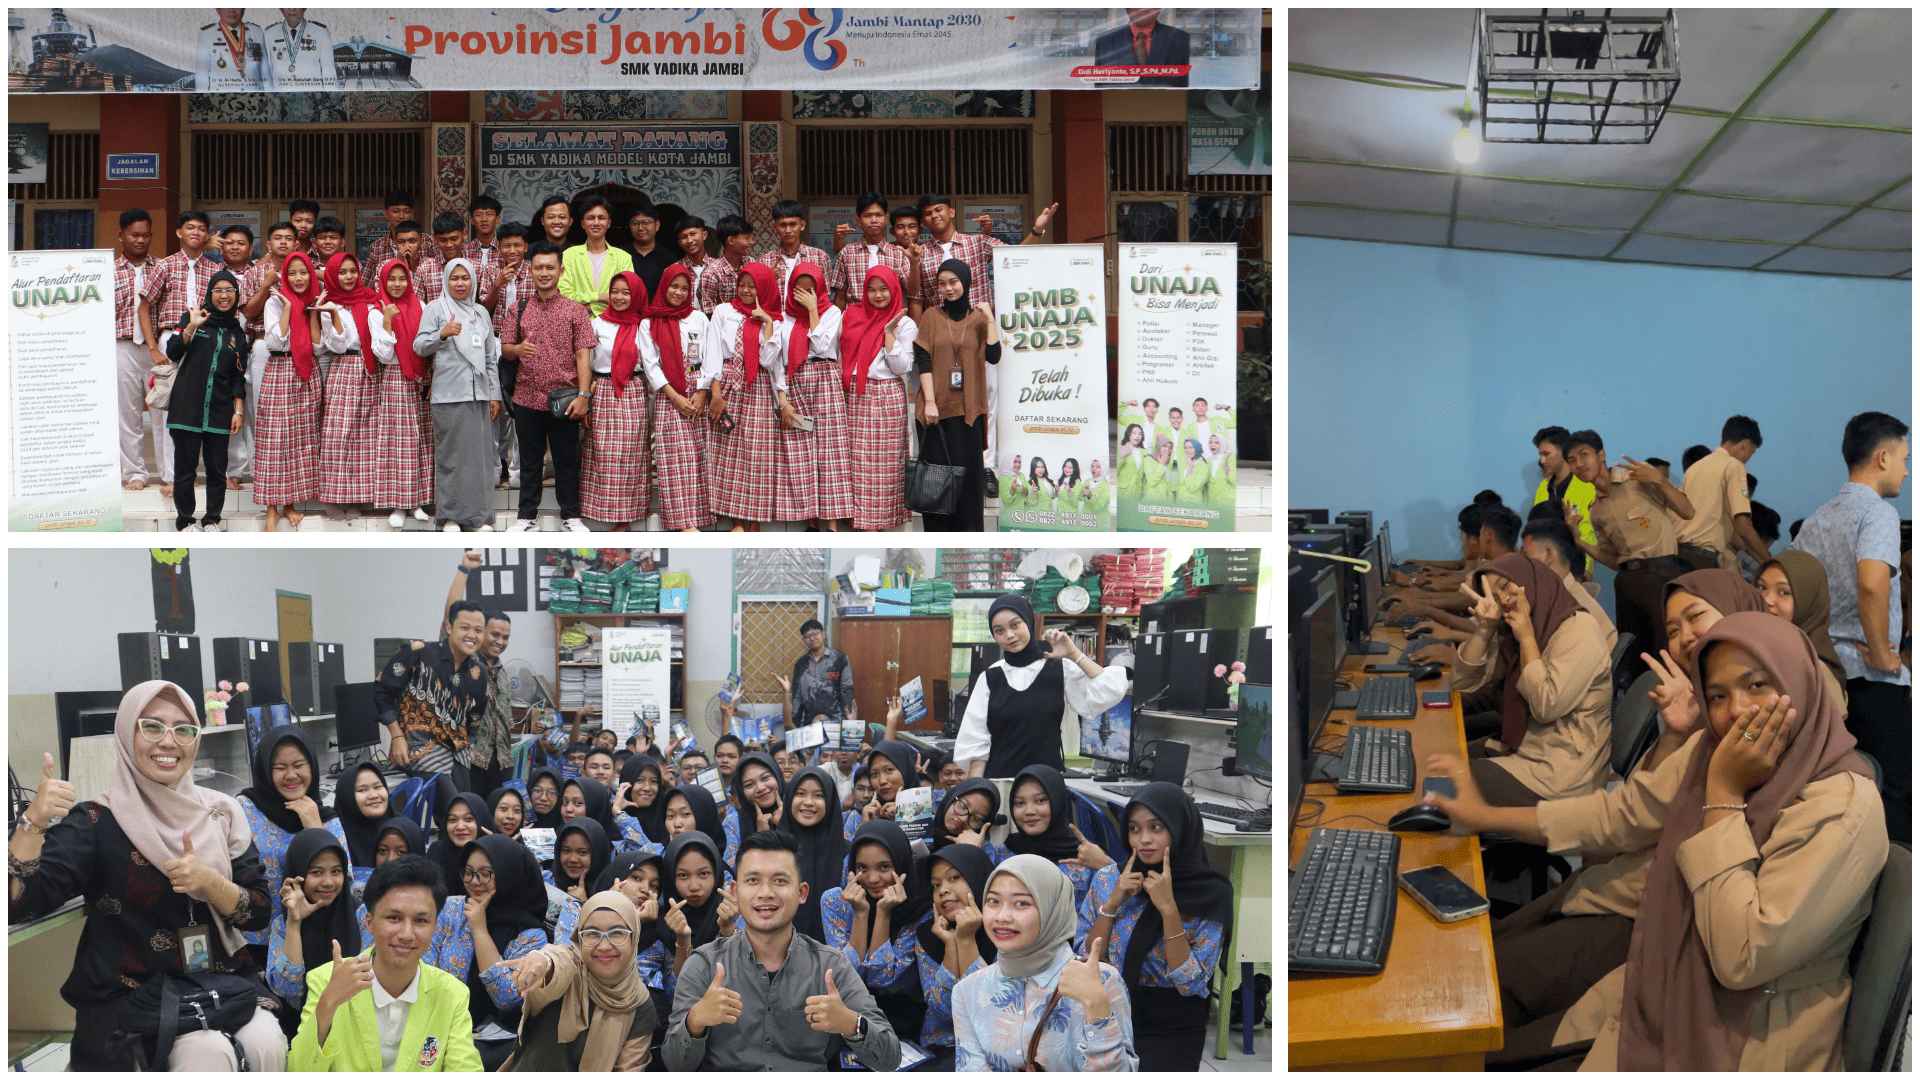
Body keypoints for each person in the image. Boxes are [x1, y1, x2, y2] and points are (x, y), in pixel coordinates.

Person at [1426, 612, 1886, 1069]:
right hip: (1664, 977)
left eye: (1758, 685)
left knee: (1482, 1034)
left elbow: (1742, 956)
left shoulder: (1840, 805)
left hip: (1746, 1038)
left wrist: (1723, 796)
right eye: (1718, 696)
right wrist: (1486, 817)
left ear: (1800, 682)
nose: (1738, 711)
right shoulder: (1710, 751)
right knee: (1475, 1031)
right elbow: (1624, 813)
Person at [8, 682, 289, 1071]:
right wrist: (32, 822)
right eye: (152, 727)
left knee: (267, 1041)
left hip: (215, 983)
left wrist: (211, 884)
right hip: (131, 993)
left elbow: (258, 912)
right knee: (207, 1052)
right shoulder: (96, 820)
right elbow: (16, 902)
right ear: (126, 733)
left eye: (183, 729)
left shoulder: (222, 812)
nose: (168, 742)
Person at [664, 830, 902, 1070]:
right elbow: (674, 1064)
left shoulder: (830, 966)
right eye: (753, 880)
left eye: (780, 881)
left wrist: (851, 1023)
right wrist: (695, 1022)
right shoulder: (704, 964)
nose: (766, 893)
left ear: (802, 892)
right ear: (735, 891)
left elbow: (890, 1059)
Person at [1793, 410, 1910, 842]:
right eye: (1905, 458)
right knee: (1896, 787)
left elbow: (1793, 588)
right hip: (1870, 674)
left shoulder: (1817, 520)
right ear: (1882, 457)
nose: (1906, 469)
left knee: (1848, 785)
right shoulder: (1876, 513)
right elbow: (1873, 583)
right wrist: (1882, 651)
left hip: (1827, 674)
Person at [1075, 783, 1227, 1070]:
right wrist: (1113, 903)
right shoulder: (1111, 879)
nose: (1143, 840)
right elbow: (1086, 957)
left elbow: (1189, 983)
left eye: (1156, 828)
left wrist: (1169, 909)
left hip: (1173, 1021)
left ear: (1180, 829)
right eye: (1134, 829)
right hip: (1109, 1008)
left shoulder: (1210, 893)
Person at [287, 855, 483, 1071]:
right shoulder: (327, 979)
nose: (407, 934)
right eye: (394, 918)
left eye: (420, 921)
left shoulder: (452, 994)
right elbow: (298, 1069)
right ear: (369, 922)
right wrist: (329, 1002)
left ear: (435, 926)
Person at [1448, 553, 1613, 804]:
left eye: (1505, 587)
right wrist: (1484, 629)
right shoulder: (1512, 630)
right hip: (1527, 750)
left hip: (1561, 774)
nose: (1503, 599)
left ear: (1532, 580)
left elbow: (1546, 705)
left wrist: (1526, 638)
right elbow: (1462, 685)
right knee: (1442, 755)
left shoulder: (1580, 630)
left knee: (1444, 782)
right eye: (1494, 597)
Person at [953, 854, 1135, 1071]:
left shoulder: (1101, 979)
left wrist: (1096, 1005)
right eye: (993, 901)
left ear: (1052, 908)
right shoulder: (968, 991)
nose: (1002, 916)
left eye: (1022, 903)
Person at [956, 595, 1129, 778]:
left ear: (1029, 622)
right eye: (999, 631)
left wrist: (1074, 654)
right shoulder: (991, 677)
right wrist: (977, 790)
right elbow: (975, 739)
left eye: (1015, 625)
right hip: (1001, 783)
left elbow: (1108, 690)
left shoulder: (1058, 667)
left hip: (1046, 785)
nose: (1009, 635)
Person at [1563, 428, 1690, 669]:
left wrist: (1660, 481)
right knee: (1636, 656)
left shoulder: (1637, 480)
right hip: (1628, 582)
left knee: (1668, 652)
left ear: (1601, 455)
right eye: (1571, 460)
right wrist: (1579, 540)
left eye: (1584, 455)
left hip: (1663, 575)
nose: (1579, 464)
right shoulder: (1595, 510)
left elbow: (1687, 511)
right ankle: (1641, 704)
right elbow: (1614, 560)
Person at [498, 889, 657, 1070]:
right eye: (591, 933)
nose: (604, 945)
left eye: (617, 933)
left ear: (634, 937)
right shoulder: (571, 969)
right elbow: (558, 962)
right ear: (579, 938)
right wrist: (543, 962)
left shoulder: (640, 1003)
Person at [500, 241, 597, 532]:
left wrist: (583, 395)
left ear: (560, 270)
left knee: (567, 460)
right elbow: (505, 349)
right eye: (539, 267)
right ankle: (525, 517)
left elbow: (583, 354)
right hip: (526, 396)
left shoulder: (576, 311)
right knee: (530, 461)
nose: (544, 273)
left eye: (550, 267)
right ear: (530, 270)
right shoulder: (518, 309)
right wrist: (517, 350)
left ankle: (571, 516)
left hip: (565, 398)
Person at [702, 261, 802, 529]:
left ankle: (753, 521)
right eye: (742, 285)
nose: (746, 291)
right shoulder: (724, 312)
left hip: (757, 388)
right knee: (729, 454)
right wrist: (715, 394)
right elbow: (712, 354)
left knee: (756, 457)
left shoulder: (775, 319)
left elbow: (771, 361)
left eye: (753, 286)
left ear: (765, 288)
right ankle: (736, 520)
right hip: (728, 385)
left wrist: (766, 322)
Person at [435, 836, 550, 1069]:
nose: (474, 882)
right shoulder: (451, 909)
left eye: (486, 873)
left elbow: (506, 997)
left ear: (509, 874)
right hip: (440, 1023)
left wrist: (479, 930)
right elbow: (425, 966)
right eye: (468, 872)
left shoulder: (531, 934)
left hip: (498, 1043)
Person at [410, 259, 502, 531]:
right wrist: (442, 334)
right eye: (454, 278)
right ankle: (449, 517)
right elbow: (419, 346)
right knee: (451, 460)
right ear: (446, 280)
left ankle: (478, 518)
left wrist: (494, 394)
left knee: (479, 461)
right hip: (448, 396)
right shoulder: (436, 309)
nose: (460, 283)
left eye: (465, 278)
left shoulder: (481, 313)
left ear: (473, 280)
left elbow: (489, 357)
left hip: (479, 395)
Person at [819, 820, 929, 1040]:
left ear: (902, 865)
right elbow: (846, 977)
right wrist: (860, 913)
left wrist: (883, 913)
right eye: (862, 868)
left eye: (884, 867)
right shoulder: (835, 901)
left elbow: (881, 978)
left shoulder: (920, 909)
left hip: (903, 1023)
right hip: (846, 1015)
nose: (872, 879)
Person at [238, 730, 346, 954]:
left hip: (315, 937)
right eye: (279, 768)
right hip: (257, 940)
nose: (291, 775)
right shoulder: (245, 811)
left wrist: (314, 827)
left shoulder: (326, 817)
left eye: (299, 765)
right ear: (265, 771)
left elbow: (345, 880)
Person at [912, 259, 1000, 531]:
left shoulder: (978, 319)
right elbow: (922, 360)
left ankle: (968, 537)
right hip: (935, 412)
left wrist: (989, 318)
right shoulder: (931, 316)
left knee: (968, 486)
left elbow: (994, 356)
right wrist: (929, 402)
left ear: (966, 282)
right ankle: (938, 536)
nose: (948, 288)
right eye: (942, 283)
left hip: (968, 413)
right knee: (937, 483)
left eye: (953, 282)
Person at [161, 269, 250, 531]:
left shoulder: (237, 333)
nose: (224, 296)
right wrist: (191, 325)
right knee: (185, 470)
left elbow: (238, 376)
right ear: (209, 294)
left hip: (220, 410)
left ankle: (212, 518)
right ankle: (185, 519)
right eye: (218, 291)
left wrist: (238, 411)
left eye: (230, 291)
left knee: (216, 469)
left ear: (236, 295)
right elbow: (173, 352)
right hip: (187, 408)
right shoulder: (193, 317)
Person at [835, 265, 919, 530]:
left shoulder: (904, 322)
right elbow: (840, 354)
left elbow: (902, 367)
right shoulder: (851, 314)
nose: (878, 295)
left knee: (885, 465)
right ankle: (858, 520)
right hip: (854, 395)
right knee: (856, 462)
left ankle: (881, 522)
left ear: (894, 289)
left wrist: (889, 335)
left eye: (883, 289)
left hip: (886, 396)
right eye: (871, 289)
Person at [377, 604, 491, 786]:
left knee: (465, 806)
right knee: (452, 804)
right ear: (448, 627)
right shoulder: (418, 653)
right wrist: (397, 736)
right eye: (464, 628)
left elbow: (475, 718)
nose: (472, 635)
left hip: (457, 751)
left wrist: (469, 746)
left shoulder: (478, 673)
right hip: (419, 749)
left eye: (478, 630)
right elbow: (382, 691)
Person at [636, 261, 712, 531]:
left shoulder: (699, 318)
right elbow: (650, 364)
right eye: (673, 287)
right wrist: (675, 396)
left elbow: (710, 356)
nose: (678, 293)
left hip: (698, 389)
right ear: (663, 287)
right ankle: (683, 523)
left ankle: (699, 519)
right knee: (675, 459)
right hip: (670, 394)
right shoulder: (649, 322)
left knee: (698, 457)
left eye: (683, 288)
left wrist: (702, 391)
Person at [253, 250, 322, 531]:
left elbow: (318, 345)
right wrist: (290, 311)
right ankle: (271, 507)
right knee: (275, 440)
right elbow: (275, 343)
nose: (298, 278)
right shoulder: (275, 302)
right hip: (281, 371)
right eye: (291, 273)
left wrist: (313, 313)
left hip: (307, 374)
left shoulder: (315, 301)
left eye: (303, 272)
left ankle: (290, 503)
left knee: (299, 440)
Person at [266, 829, 367, 1019]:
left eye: (336, 871)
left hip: (356, 1021)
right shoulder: (283, 925)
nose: (328, 882)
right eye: (316, 872)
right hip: (304, 1024)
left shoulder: (361, 917)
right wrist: (295, 923)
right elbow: (288, 990)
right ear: (298, 875)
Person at [579, 271, 654, 528]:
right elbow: (586, 362)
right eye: (615, 292)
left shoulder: (644, 326)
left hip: (633, 391)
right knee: (604, 454)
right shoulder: (597, 323)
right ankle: (605, 513)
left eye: (626, 292)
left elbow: (651, 363)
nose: (619, 297)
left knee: (630, 456)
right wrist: (586, 394)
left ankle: (625, 518)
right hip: (603, 389)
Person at [363, 259, 434, 529]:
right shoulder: (376, 310)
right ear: (382, 280)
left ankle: (417, 501)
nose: (396, 284)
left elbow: (426, 342)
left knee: (420, 440)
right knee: (398, 442)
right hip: (395, 378)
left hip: (421, 378)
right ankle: (398, 504)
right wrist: (389, 321)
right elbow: (382, 354)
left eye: (401, 278)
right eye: (391, 278)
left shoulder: (420, 305)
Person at [781, 262, 852, 528]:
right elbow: (779, 356)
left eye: (811, 290)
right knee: (801, 447)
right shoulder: (784, 316)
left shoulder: (833, 312)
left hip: (825, 379)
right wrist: (783, 396)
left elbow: (822, 346)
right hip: (796, 379)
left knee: (830, 448)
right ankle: (809, 517)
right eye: (800, 290)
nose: (806, 295)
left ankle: (831, 521)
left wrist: (812, 310)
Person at [314, 252, 382, 514]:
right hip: (343, 369)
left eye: (352, 271)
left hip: (370, 370)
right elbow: (337, 344)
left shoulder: (370, 300)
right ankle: (335, 497)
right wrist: (335, 315)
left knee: (365, 436)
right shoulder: (329, 304)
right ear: (332, 275)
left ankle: (359, 496)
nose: (348, 277)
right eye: (342, 272)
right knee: (339, 435)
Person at [1007, 765, 1112, 910]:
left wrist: (1106, 866)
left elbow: (1117, 909)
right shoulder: (1007, 851)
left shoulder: (1087, 858)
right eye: (1020, 803)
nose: (1029, 811)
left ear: (1058, 801)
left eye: (1040, 801)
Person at [1678, 415, 1772, 570]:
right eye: (1751, 452)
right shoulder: (1734, 466)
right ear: (1744, 445)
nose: (1748, 458)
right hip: (1704, 559)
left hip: (1680, 556)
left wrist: (1760, 558)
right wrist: (1770, 563)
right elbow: (1743, 526)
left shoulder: (1694, 468)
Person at [113, 209, 164, 491]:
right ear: (120, 235)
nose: (140, 240)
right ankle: (135, 472)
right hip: (122, 347)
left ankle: (168, 470)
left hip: (156, 349)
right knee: (128, 412)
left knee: (162, 411)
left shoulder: (161, 268)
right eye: (134, 235)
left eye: (145, 235)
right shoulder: (106, 272)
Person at [1757, 550, 1851, 701]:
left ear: (1808, 602)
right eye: (1762, 588)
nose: (1767, 599)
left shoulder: (1815, 671)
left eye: (1784, 592)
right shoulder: (1750, 647)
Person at [779, 766, 853, 940]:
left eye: (819, 795)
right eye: (800, 794)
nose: (809, 802)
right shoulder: (773, 849)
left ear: (830, 801)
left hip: (833, 955)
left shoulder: (847, 853)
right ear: (789, 798)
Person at [831, 193, 915, 309]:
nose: (874, 220)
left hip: (891, 320)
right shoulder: (847, 253)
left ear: (886, 218)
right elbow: (840, 296)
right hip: (857, 321)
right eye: (868, 215)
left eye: (878, 215)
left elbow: (912, 291)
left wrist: (915, 262)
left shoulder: (898, 253)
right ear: (858, 220)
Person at [560, 197, 634, 318]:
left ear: (609, 223)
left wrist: (590, 308)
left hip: (612, 324)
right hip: (576, 325)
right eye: (590, 218)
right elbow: (564, 294)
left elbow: (626, 297)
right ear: (583, 223)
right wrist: (600, 297)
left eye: (601, 218)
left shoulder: (623, 257)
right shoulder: (569, 255)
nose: (596, 222)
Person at [756, 200, 833, 311]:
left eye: (793, 224)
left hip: (807, 322)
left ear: (802, 225)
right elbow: (758, 298)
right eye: (783, 225)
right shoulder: (765, 261)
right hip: (775, 322)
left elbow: (825, 297)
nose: (788, 230)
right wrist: (768, 279)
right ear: (775, 227)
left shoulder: (820, 257)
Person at [426, 786, 495, 903]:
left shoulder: (494, 855)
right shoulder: (437, 852)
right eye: (452, 820)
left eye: (468, 819)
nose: (460, 827)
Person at [1094, 7, 1191, 87]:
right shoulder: (1104, 40)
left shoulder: (1180, 38)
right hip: (1118, 105)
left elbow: (1182, 85)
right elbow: (1100, 85)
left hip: (1164, 105)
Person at [334, 764, 392, 894]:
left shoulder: (399, 831)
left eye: (378, 787)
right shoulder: (338, 836)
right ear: (346, 796)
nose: (373, 795)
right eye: (362, 790)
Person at [722, 752, 787, 866]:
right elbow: (730, 875)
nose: (760, 788)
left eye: (765, 778)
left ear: (777, 776)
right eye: (749, 785)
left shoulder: (796, 809)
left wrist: (785, 825)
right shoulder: (733, 823)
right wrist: (761, 837)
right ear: (742, 792)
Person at [929, 779, 1009, 864]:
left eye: (976, 819)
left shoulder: (986, 853)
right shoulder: (921, 830)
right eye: (963, 806)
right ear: (951, 798)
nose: (964, 819)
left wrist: (973, 853)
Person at [696, 214, 753, 317]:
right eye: (747, 238)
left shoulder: (751, 263)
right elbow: (709, 313)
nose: (751, 242)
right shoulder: (711, 273)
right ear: (731, 240)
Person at [196, 9, 265, 90]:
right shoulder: (207, 34)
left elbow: (265, 71)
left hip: (254, 97)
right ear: (218, 10)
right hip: (222, 99)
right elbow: (201, 77)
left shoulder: (257, 32)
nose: (232, 10)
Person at [625, 201, 679, 297]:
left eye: (645, 222)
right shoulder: (621, 255)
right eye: (635, 223)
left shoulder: (669, 258)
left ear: (657, 225)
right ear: (630, 226)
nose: (640, 228)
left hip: (659, 310)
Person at [673, 216, 713, 300]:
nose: (689, 240)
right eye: (684, 237)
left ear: (704, 235)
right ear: (679, 243)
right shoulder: (673, 271)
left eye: (692, 234)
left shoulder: (719, 268)